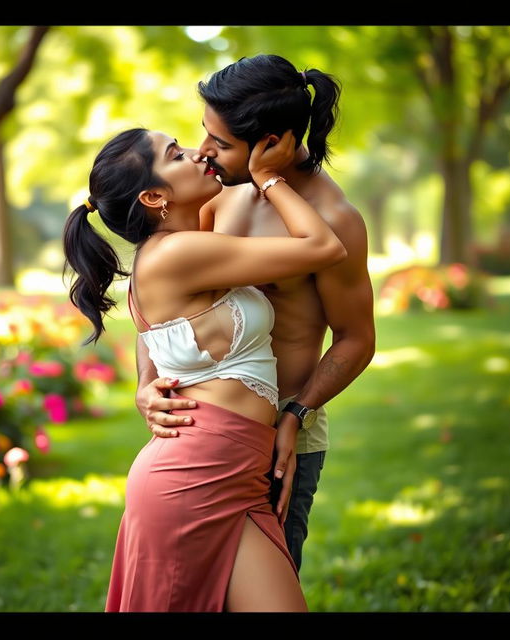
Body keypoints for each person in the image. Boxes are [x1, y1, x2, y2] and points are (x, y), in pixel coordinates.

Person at [62, 126, 346, 612]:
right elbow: (323, 247)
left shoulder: (184, 246)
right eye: (176, 155)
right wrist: (268, 177)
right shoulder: (176, 252)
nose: (197, 154)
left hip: (240, 477)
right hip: (194, 478)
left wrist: (144, 384)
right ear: (154, 195)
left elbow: (154, 337)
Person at [135, 54, 376, 574]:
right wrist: (146, 382)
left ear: (273, 143)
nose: (203, 153)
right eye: (205, 134)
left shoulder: (335, 221)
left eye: (219, 144)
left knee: (269, 582)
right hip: (205, 426)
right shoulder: (218, 196)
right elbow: (165, 294)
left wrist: (298, 414)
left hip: (284, 433)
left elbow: (356, 339)